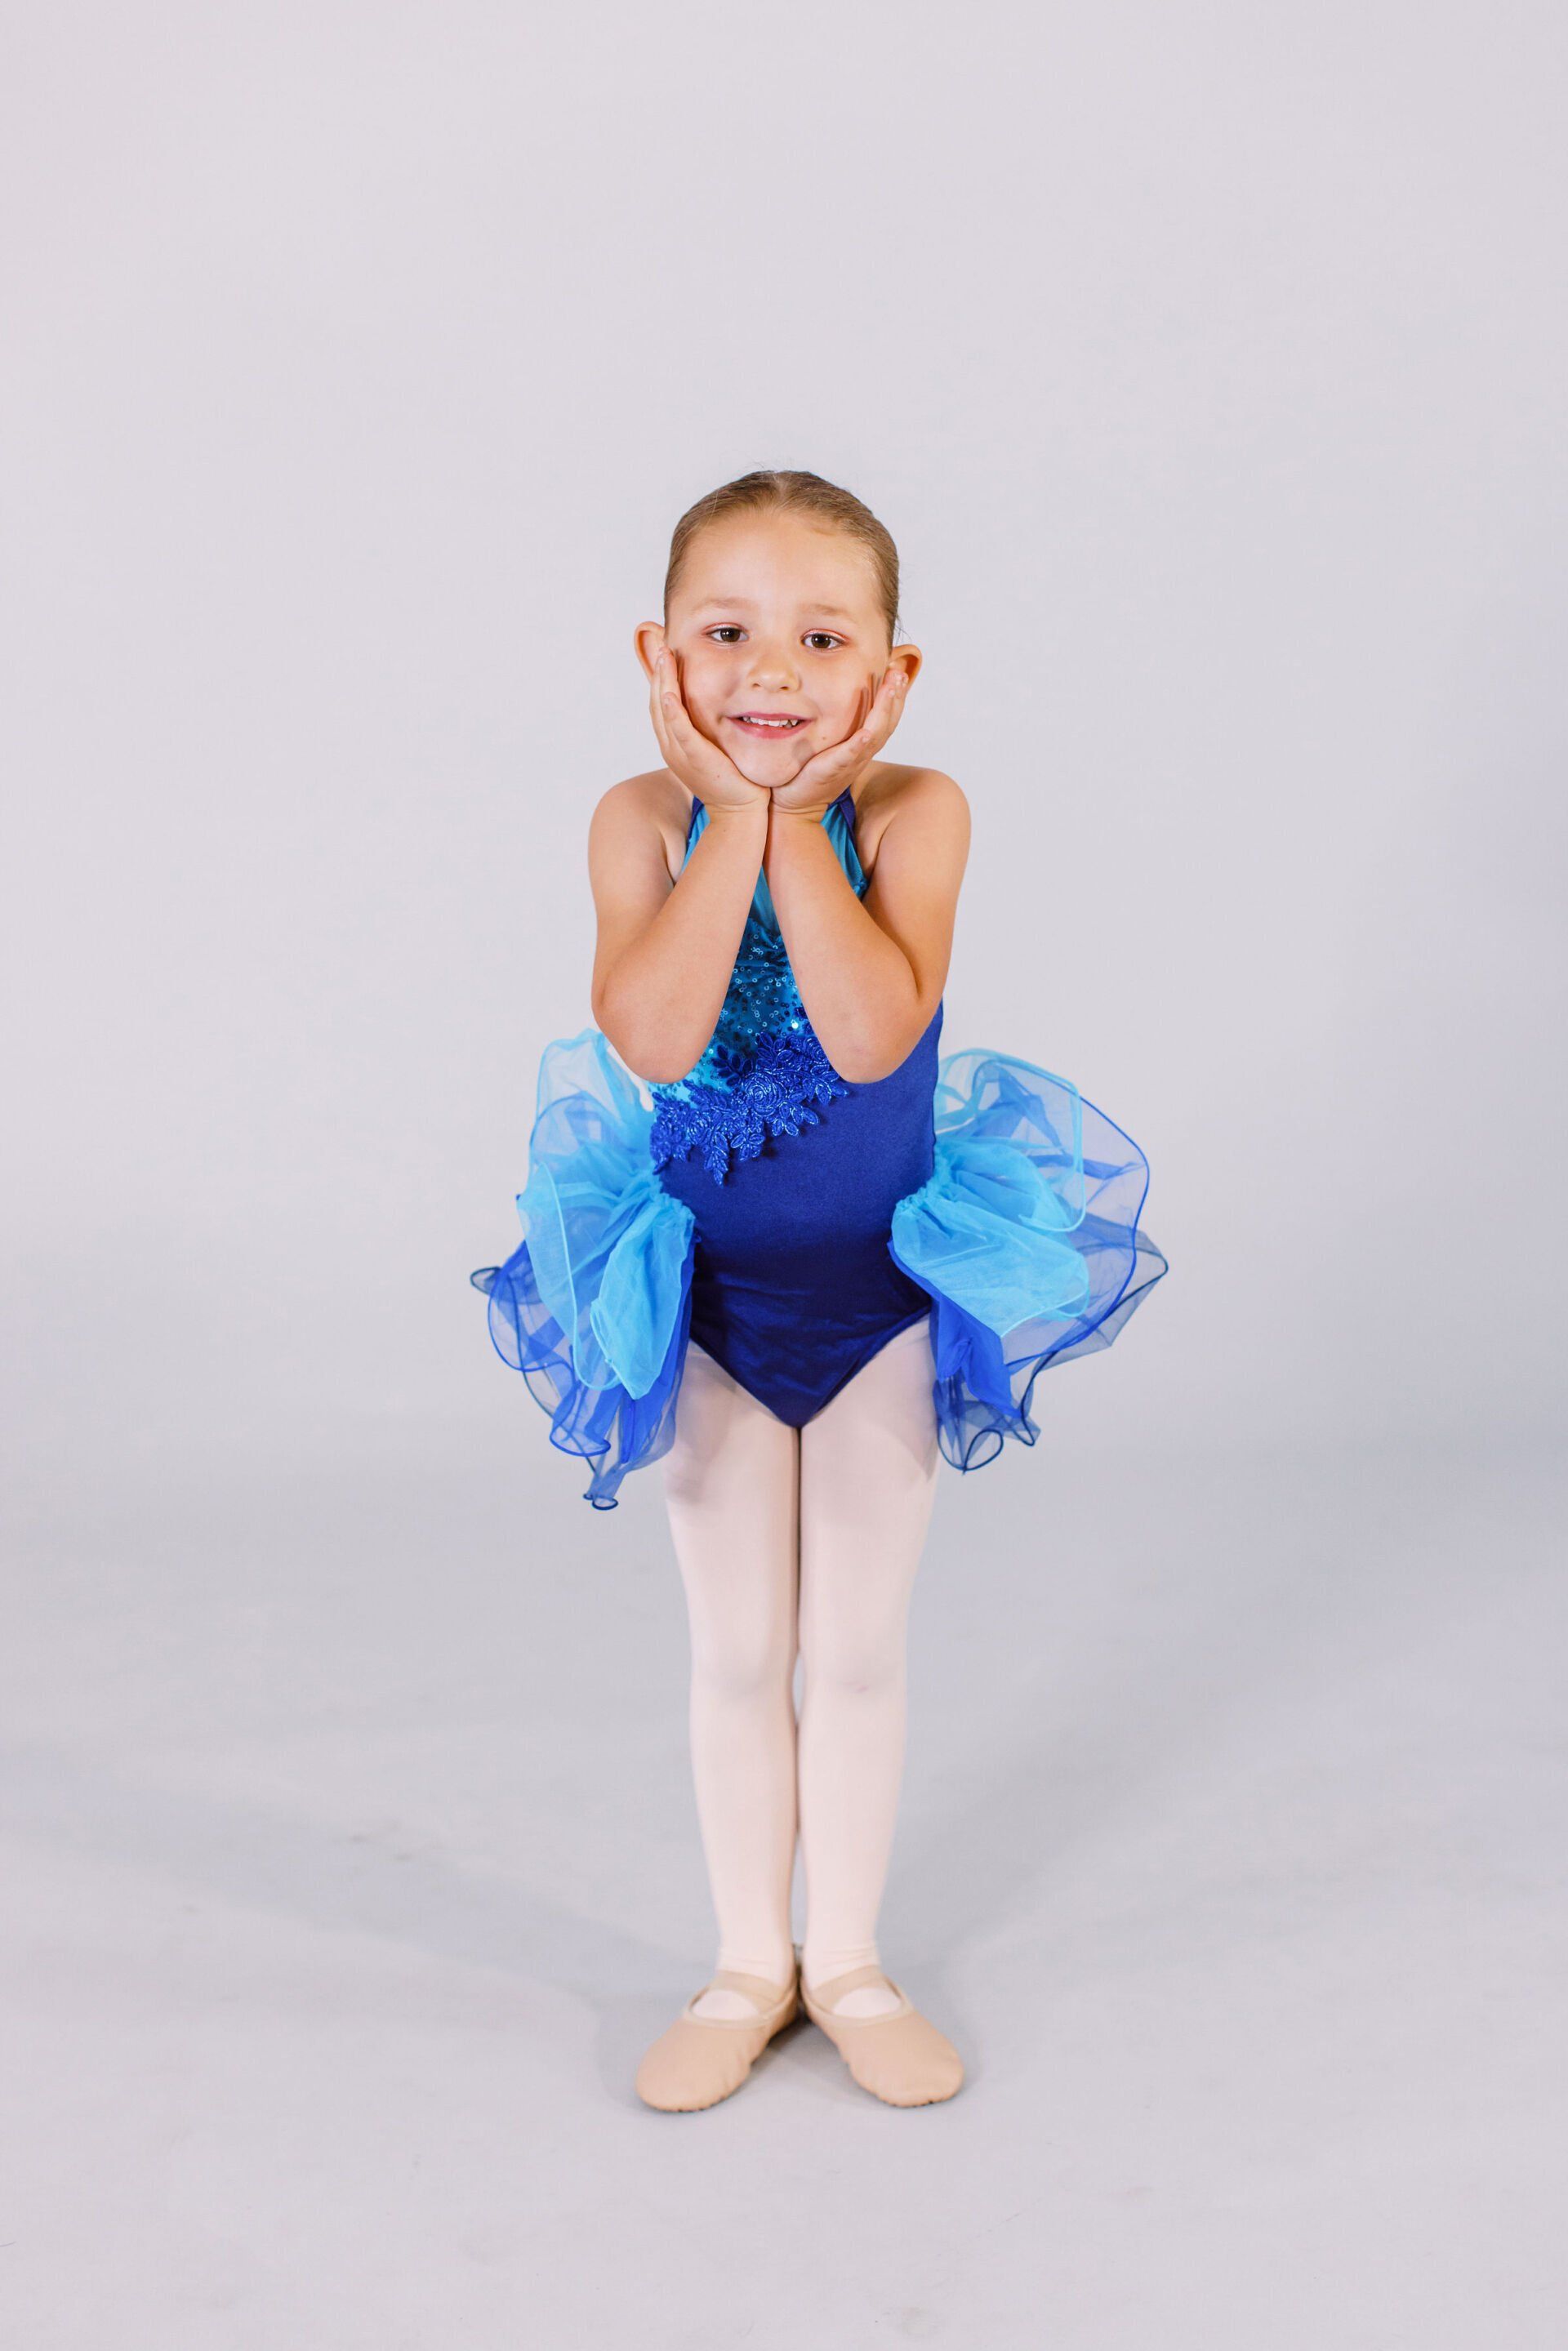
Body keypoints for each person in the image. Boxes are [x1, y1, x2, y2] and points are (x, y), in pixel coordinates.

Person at [470, 470, 1167, 2112]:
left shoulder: (920, 812)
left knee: (853, 1646)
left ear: (888, 677)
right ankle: (743, 1962)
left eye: (819, 635)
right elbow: (647, 1037)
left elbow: (866, 1034)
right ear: (661, 655)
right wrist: (728, 815)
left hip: (881, 1294)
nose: (771, 669)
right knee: (733, 1650)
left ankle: (845, 1957)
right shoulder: (636, 822)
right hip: (705, 1295)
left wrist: (790, 821)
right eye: (727, 633)